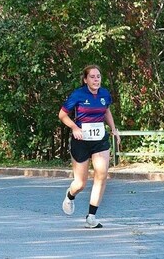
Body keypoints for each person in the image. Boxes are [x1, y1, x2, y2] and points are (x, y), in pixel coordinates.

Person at [59, 64, 121, 229]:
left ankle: (91, 216)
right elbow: (62, 114)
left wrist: (114, 129)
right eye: (92, 77)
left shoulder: (104, 94)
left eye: (98, 76)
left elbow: (106, 111)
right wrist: (75, 128)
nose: (96, 79)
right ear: (85, 80)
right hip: (81, 141)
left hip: (100, 140)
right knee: (80, 183)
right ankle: (70, 195)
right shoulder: (78, 95)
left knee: (101, 175)